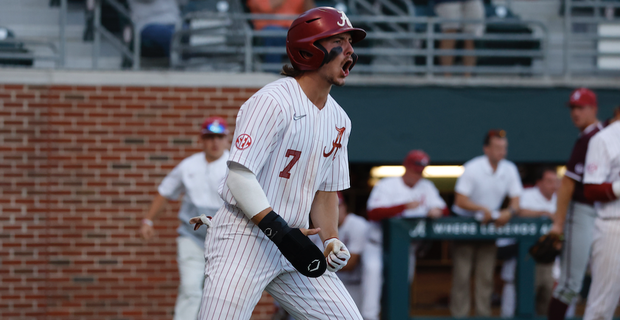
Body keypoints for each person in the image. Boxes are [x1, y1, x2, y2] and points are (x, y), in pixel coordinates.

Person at [189, 7, 367, 320]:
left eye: (351, 41)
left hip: (295, 244)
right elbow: (239, 176)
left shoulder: (341, 119)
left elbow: (326, 193)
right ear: (309, 48)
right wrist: (282, 234)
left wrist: (331, 239)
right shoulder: (273, 100)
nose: (350, 50)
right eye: (339, 40)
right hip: (244, 237)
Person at [140, 116, 229, 320]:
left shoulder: (234, 166)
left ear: (227, 139)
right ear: (202, 139)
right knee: (190, 290)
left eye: (219, 137)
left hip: (224, 242)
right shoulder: (188, 165)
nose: (214, 142)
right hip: (191, 238)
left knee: (218, 295)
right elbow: (165, 192)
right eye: (209, 137)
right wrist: (148, 221)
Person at [363, 150, 447, 320]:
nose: (418, 174)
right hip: (377, 244)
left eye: (421, 171)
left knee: (402, 286)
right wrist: (403, 207)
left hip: (405, 248)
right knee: (373, 278)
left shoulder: (427, 187)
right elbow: (373, 213)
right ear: (406, 167)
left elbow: (444, 209)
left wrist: (437, 210)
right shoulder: (387, 185)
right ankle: (369, 318)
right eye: (416, 170)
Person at [450, 129, 523, 317]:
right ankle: (460, 316)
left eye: (504, 148)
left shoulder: (510, 168)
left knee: (485, 277)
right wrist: (482, 208)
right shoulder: (472, 167)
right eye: (497, 147)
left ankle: (483, 316)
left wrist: (509, 212)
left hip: (490, 227)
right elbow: (460, 200)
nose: (502, 152)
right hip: (466, 225)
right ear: (486, 149)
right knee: (462, 277)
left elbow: (516, 200)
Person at [547, 88, 604, 320]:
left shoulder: (594, 136)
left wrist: (558, 224)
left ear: (593, 109)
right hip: (589, 210)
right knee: (572, 284)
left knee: (578, 284)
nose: (575, 113)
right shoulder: (591, 136)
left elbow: (568, 185)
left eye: (581, 107)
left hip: (592, 213)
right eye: (573, 108)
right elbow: (569, 183)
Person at [499, 167, 559, 317]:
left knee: (548, 301)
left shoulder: (559, 199)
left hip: (550, 258)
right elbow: (516, 210)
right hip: (523, 255)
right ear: (539, 183)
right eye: (549, 181)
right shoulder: (526, 195)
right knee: (517, 303)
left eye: (556, 181)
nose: (554, 185)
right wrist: (543, 214)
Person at [582, 110, 620, 320]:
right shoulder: (604, 138)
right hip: (613, 226)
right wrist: (618, 188)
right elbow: (590, 189)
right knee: (602, 307)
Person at [310, 192, 369, 309]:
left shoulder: (357, 224)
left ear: (344, 207)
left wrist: (319, 264)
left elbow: (351, 263)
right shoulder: (319, 228)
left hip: (355, 285)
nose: (333, 211)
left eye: (337, 206)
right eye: (328, 207)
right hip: (329, 283)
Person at [247, 0, 315, 64]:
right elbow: (268, 7)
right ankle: (272, 73)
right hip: (266, 32)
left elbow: (312, 13)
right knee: (273, 35)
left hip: (295, 30)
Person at [434, 0, 485, 77]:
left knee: (470, 35)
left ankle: (468, 77)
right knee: (450, 31)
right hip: (446, 2)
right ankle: (447, 77)